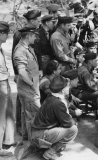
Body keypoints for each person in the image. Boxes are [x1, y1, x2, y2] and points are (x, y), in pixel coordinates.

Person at [30, 76, 78, 160]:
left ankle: (45, 147)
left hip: (36, 132)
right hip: (40, 134)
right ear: (63, 90)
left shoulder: (50, 96)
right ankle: (50, 152)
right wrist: (74, 119)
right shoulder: (58, 103)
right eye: (67, 86)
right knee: (73, 129)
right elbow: (68, 123)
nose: (69, 88)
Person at [11, 10, 41, 133]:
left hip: (31, 80)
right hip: (27, 83)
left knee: (27, 111)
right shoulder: (20, 38)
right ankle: (25, 133)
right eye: (34, 36)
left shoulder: (27, 46)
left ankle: (24, 133)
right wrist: (30, 83)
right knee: (28, 111)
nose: (36, 37)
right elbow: (19, 62)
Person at [0, 21, 15, 156]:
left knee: (9, 112)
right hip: (0, 83)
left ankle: (8, 140)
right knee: (1, 116)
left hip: (5, 81)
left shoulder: (1, 47)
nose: (7, 36)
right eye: (6, 33)